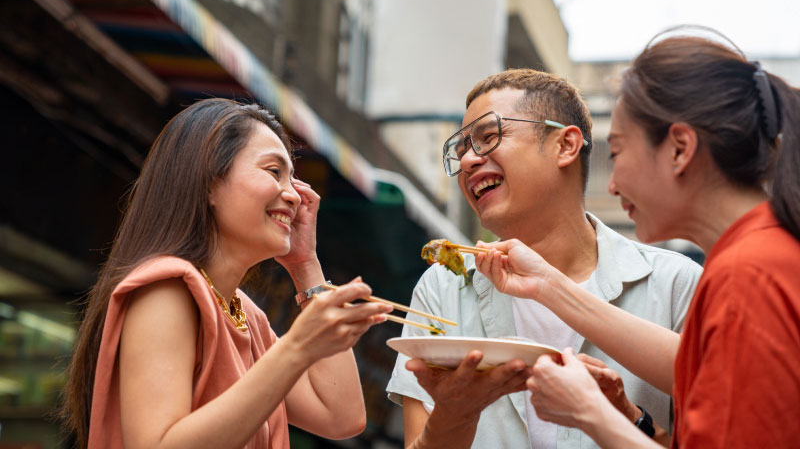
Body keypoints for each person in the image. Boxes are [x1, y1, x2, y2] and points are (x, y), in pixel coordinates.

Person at [477, 28, 800, 448]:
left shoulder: (747, 275)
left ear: (680, 149)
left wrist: (590, 414)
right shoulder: (761, 255)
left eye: (619, 152)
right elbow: (689, 366)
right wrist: (547, 285)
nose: (612, 185)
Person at [386, 69, 703, 448]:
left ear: (566, 146)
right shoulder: (443, 287)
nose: (468, 160)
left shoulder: (675, 283)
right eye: (460, 151)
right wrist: (457, 411)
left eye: (489, 137)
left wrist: (630, 419)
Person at [61, 98, 392, 448]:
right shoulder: (166, 288)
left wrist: (305, 265)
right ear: (209, 183)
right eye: (273, 171)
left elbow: (343, 417)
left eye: (293, 178)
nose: (294, 195)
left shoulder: (248, 316)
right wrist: (297, 348)